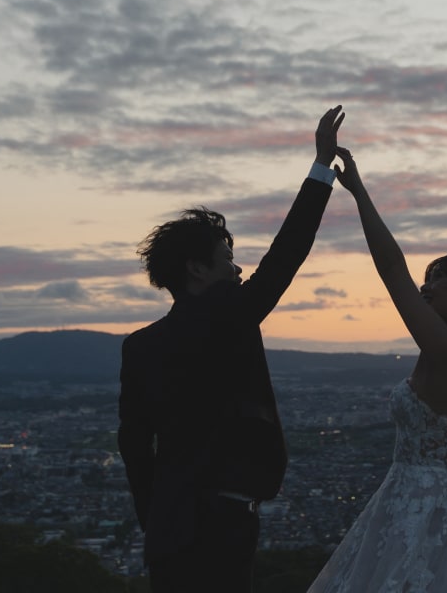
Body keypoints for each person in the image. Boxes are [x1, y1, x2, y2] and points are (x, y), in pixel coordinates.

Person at [118, 105, 344, 593]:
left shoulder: (139, 348)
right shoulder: (229, 317)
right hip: (222, 520)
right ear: (197, 270)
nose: (239, 271)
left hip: (170, 526)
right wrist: (321, 167)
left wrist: (154, 517)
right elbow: (287, 253)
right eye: (228, 260)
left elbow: (134, 445)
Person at [308, 146, 447, 593]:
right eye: (428, 277)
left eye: (438, 280)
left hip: (421, 508)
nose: (425, 286)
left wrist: (359, 192)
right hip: (443, 502)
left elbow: (390, 269)